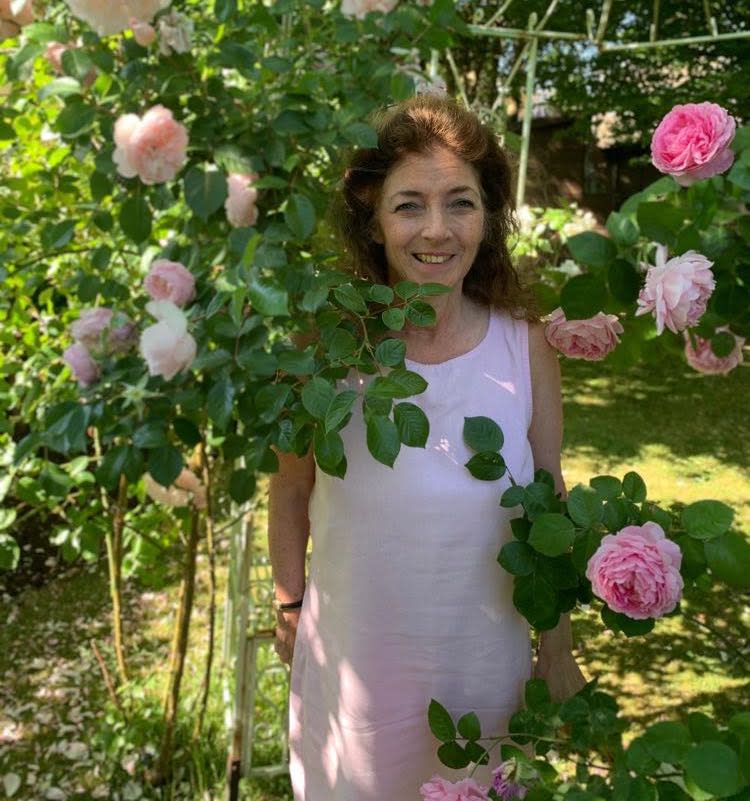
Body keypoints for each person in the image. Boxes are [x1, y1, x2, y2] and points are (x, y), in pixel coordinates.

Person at [268, 93, 586, 800]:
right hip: (358, 671)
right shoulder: (322, 350)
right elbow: (289, 488)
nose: (437, 230)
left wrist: (557, 645)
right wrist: (289, 607)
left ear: (488, 216)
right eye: (409, 204)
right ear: (373, 223)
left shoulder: (522, 342)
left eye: (461, 203)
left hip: (485, 672)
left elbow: (547, 500)